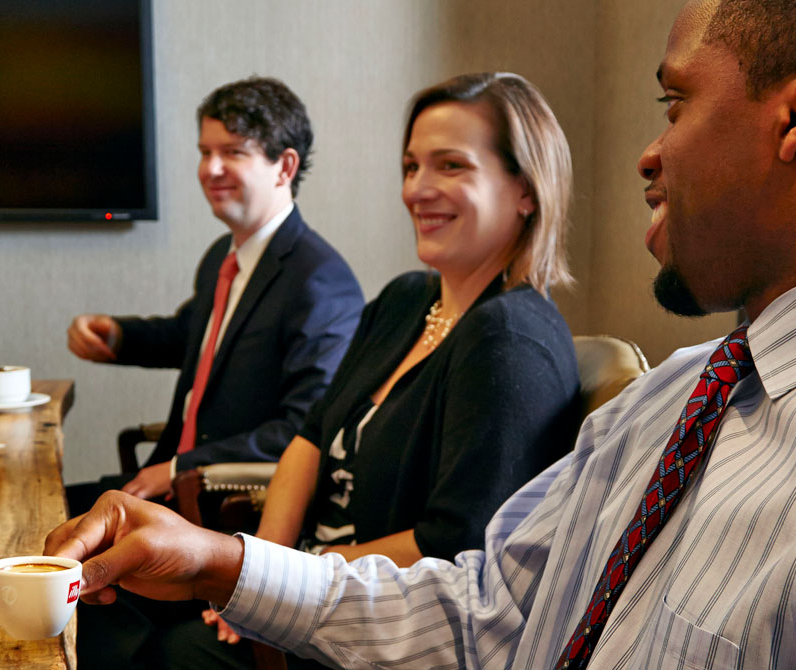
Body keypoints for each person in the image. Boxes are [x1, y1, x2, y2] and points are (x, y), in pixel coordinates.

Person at [44, 1, 796, 668]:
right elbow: (488, 613)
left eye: (676, 101)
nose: (649, 152)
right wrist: (222, 563)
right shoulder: (684, 396)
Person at [160, 72, 584, 669]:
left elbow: (450, 549)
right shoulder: (406, 300)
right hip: (308, 593)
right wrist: (263, 573)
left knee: (159, 649)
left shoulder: (509, 340)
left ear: (526, 191)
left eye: (451, 166)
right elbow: (310, 437)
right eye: (411, 166)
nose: (417, 189)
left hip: (383, 630)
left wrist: (278, 584)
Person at [61, 77, 364, 670]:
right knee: (44, 516)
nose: (210, 168)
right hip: (173, 482)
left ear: (284, 166)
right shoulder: (224, 257)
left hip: (223, 505)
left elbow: (302, 427)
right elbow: (195, 336)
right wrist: (117, 335)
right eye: (205, 151)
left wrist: (179, 468)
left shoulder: (319, 281)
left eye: (233, 152)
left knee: (73, 561)